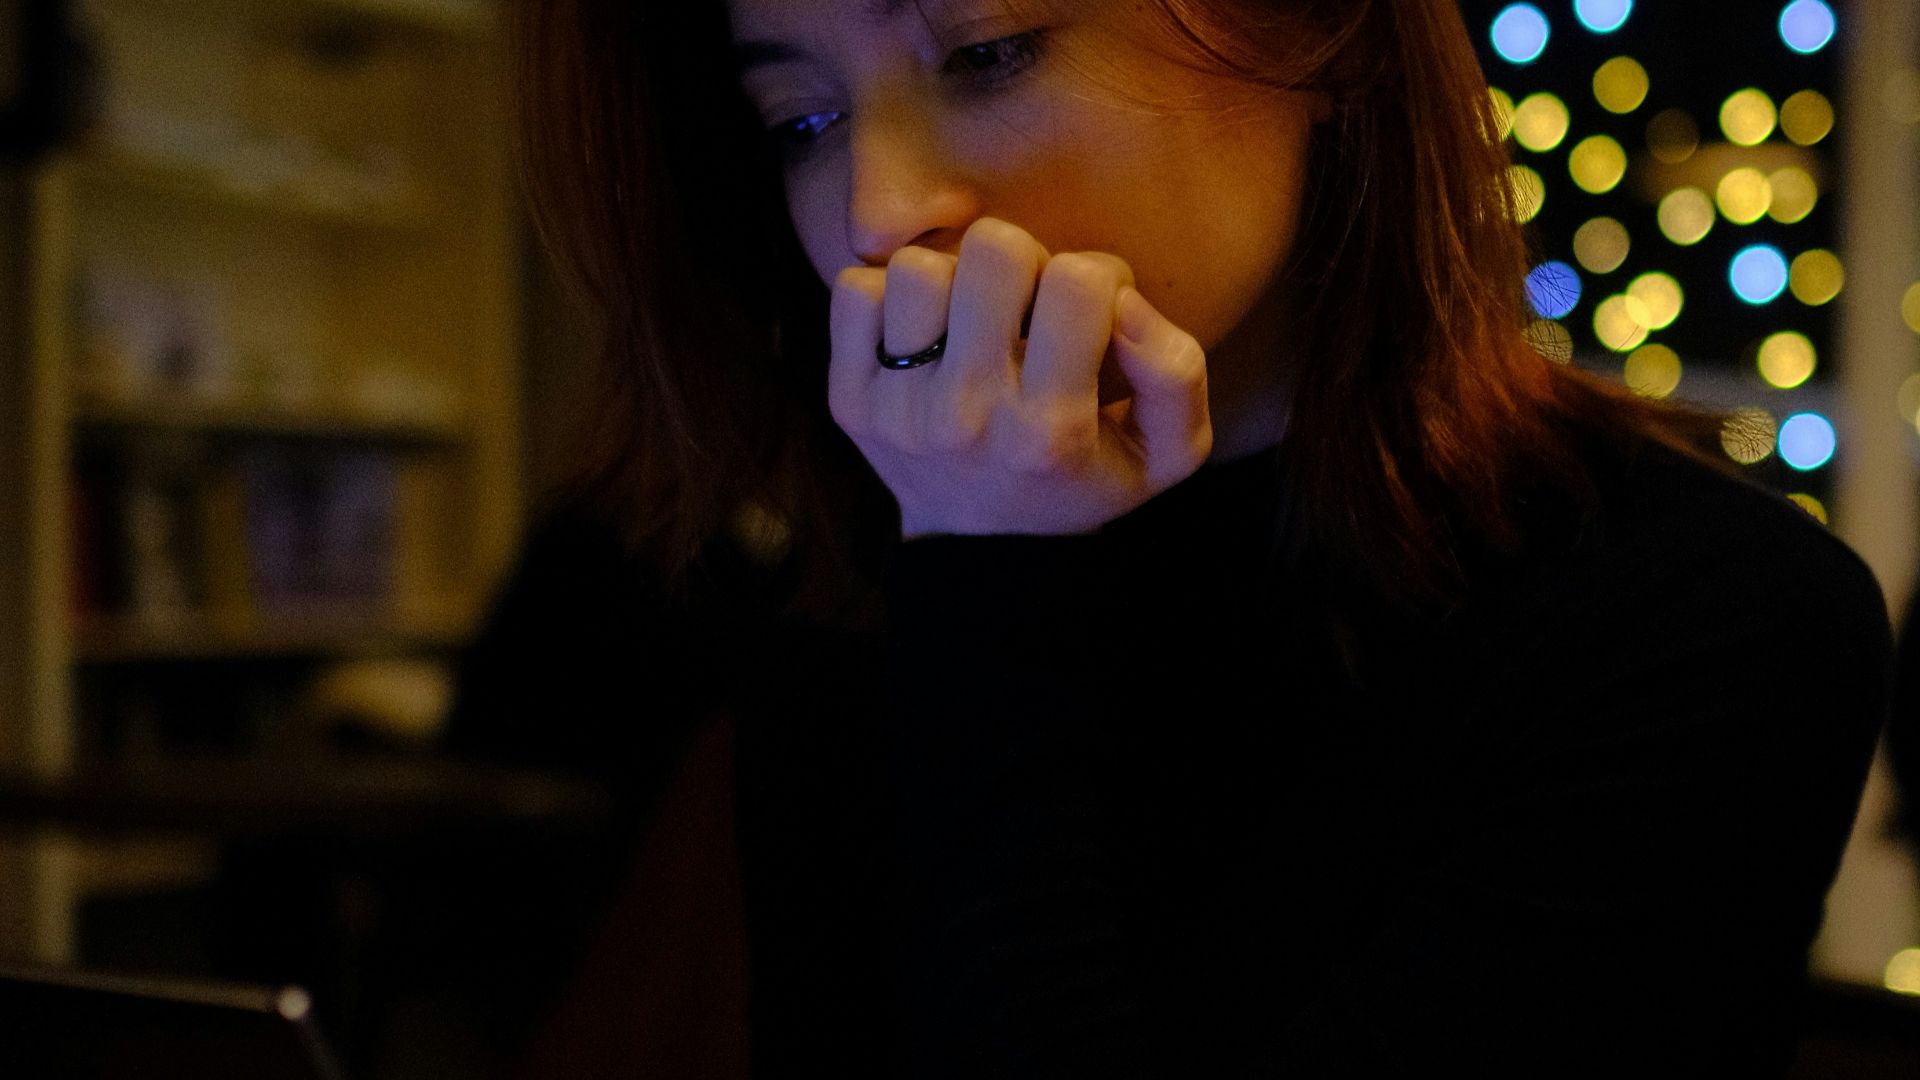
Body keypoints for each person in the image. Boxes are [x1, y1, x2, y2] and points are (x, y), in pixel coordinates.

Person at [474, 0, 1893, 1074]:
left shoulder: (1706, 615)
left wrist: (989, 585)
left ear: (1326, 44)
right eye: (801, 118)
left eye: (987, 53)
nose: (879, 207)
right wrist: (970, 568)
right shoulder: (852, 589)